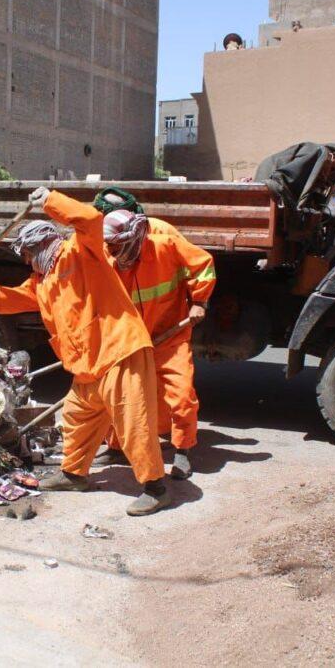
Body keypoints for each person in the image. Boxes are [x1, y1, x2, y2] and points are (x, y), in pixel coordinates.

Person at [0, 187, 171, 516]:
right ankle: (73, 474)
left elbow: (90, 219)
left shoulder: (81, 251)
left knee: (133, 423)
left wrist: (50, 201)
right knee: (76, 418)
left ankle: (156, 488)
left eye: (28, 255)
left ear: (41, 245)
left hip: (119, 352)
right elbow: (8, 300)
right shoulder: (42, 282)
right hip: (88, 366)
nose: (28, 262)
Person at [96, 188, 216, 479]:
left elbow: (202, 264)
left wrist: (199, 301)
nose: (111, 250)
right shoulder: (106, 244)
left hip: (169, 332)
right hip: (130, 337)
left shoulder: (163, 240)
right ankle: (116, 446)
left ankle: (183, 450)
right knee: (120, 394)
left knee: (181, 395)